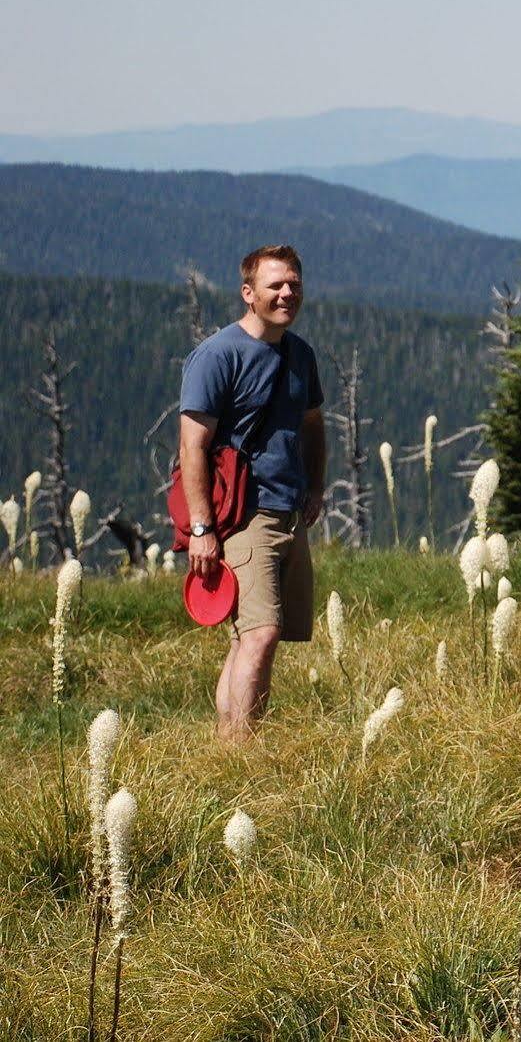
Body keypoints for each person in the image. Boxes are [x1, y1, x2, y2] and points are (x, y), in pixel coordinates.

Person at [179, 244, 326, 741]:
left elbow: (312, 424)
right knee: (262, 634)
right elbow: (192, 445)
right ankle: (242, 749)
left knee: (255, 635)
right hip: (243, 515)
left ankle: (226, 742)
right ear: (249, 293)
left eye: (294, 285)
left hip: (289, 512)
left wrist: (315, 484)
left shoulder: (300, 355)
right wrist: (203, 528)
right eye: (275, 285)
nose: (287, 293)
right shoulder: (217, 355)